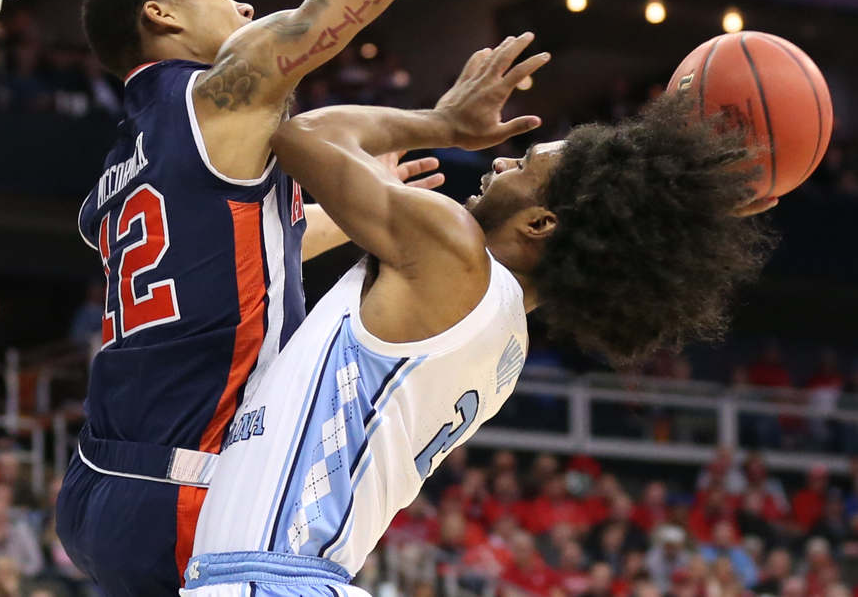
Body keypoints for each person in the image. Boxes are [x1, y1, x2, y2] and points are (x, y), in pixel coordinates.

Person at [57, 0, 575, 597]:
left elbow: (224, 260)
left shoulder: (120, 172)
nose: (241, 2)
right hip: (190, 489)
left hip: (100, 477)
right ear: (161, 16)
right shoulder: (220, 94)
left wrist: (414, 146)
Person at [182, 32, 774, 597]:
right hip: (289, 574)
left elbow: (302, 135)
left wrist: (442, 123)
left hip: (269, 578)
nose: (499, 163)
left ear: (540, 223)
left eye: (524, 165)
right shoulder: (505, 338)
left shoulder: (454, 253)